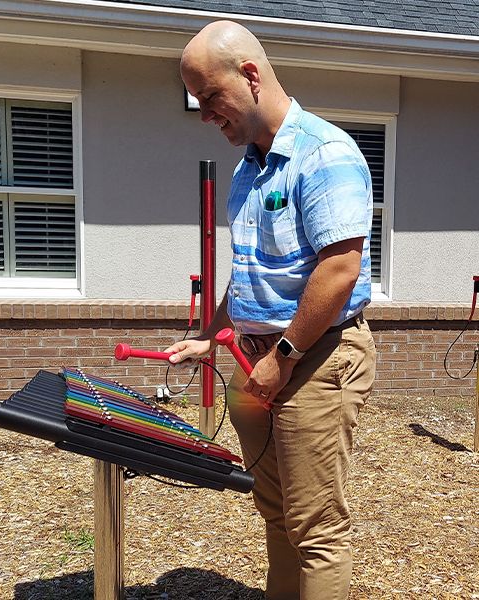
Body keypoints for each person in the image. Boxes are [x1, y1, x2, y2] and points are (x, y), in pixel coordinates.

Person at [165, 20, 377, 600]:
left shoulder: (324, 153)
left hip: (314, 358)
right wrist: (214, 339)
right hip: (258, 359)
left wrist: (283, 357)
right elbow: (252, 273)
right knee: (278, 516)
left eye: (211, 98)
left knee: (316, 529)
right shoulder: (250, 169)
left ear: (251, 75)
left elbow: (340, 270)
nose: (207, 115)